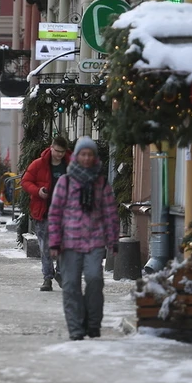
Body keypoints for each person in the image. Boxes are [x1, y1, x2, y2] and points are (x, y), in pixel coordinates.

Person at [48, 137, 118, 341]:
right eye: (83, 154)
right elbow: (55, 214)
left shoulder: (101, 182)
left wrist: (113, 240)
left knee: (95, 280)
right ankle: (76, 328)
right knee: (70, 285)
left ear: (94, 157)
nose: (87, 158)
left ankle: (93, 324)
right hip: (68, 243)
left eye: (90, 154)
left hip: (94, 242)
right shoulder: (65, 182)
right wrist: (54, 241)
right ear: (77, 156)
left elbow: (110, 213)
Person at [21, 136, 71, 291]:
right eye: (57, 151)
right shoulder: (39, 164)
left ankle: (61, 273)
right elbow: (25, 181)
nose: (59, 155)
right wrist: (37, 191)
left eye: (62, 152)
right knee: (46, 247)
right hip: (44, 211)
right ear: (51, 147)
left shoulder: (71, 164)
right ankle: (47, 278)